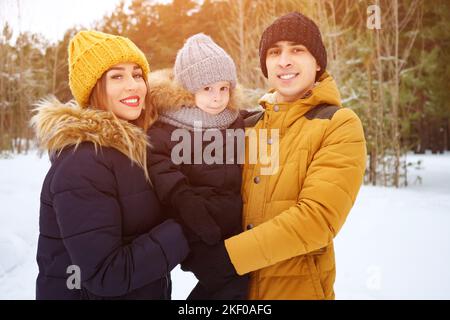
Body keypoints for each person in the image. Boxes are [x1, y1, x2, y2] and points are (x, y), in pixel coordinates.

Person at [184, 12, 367, 299]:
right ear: (265, 65)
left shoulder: (338, 123)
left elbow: (316, 220)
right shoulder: (245, 126)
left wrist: (228, 258)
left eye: (297, 49)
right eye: (274, 52)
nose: (284, 60)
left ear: (318, 62)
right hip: (234, 294)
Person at [32, 30, 189, 300]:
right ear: (93, 89)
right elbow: (106, 274)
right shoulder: (82, 164)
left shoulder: (129, 150)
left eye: (137, 74)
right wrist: (187, 228)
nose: (134, 85)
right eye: (117, 76)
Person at [147, 33, 249, 300]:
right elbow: (163, 173)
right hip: (196, 231)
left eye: (223, 88)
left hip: (235, 228)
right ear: (189, 90)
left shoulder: (235, 120)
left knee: (241, 286)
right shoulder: (167, 128)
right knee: (230, 284)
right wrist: (193, 213)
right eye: (207, 88)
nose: (217, 98)